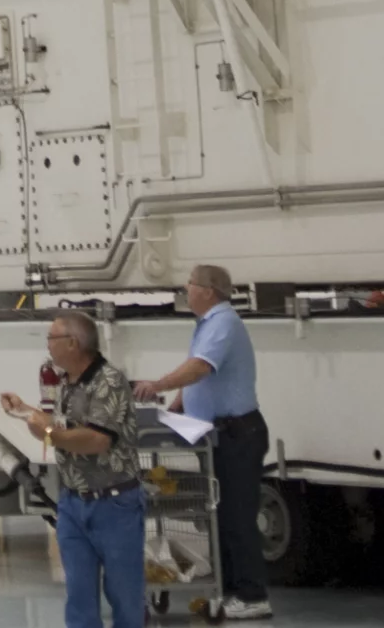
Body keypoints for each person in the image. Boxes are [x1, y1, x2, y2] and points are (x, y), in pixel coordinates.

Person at [136, 264, 272, 621]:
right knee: (222, 517)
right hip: (219, 435)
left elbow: (200, 367)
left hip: (238, 434)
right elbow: (199, 370)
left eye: (190, 284)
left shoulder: (223, 322)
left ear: (208, 291)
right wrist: (181, 400)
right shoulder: (208, 324)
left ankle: (253, 595)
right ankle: (230, 591)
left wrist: (158, 386)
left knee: (238, 517)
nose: (185, 289)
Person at [2, 310, 145, 628]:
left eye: (51, 339)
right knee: (79, 597)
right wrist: (24, 410)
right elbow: (66, 426)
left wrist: (50, 435)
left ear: (73, 342)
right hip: (72, 504)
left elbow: (97, 440)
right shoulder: (68, 384)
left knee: (125, 595)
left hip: (114, 505)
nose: (48, 346)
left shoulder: (110, 381)